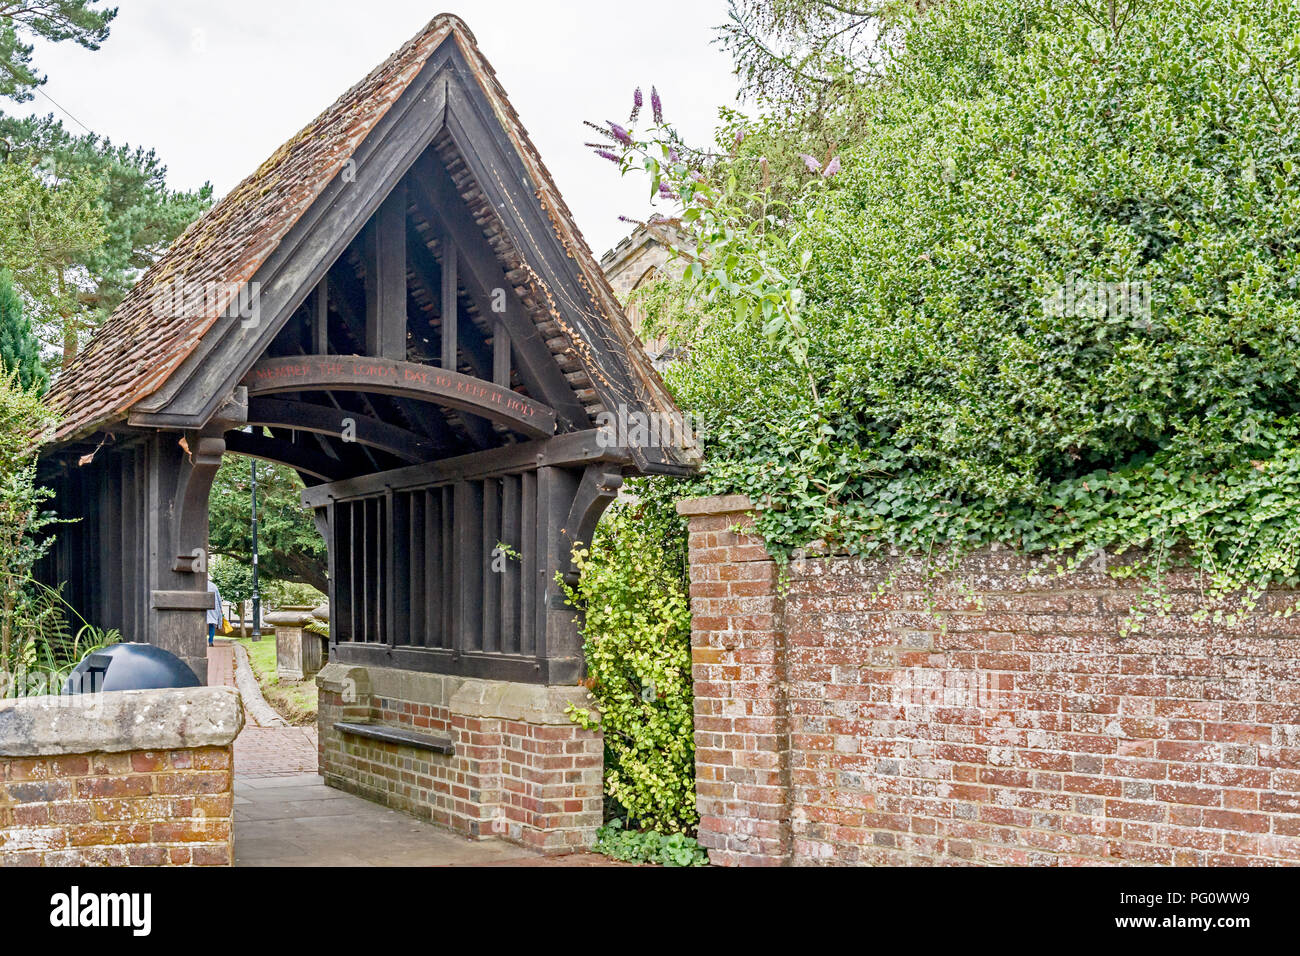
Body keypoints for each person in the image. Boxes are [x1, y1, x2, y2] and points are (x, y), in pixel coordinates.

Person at [207, 578, 223, 647]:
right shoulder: (214, 586)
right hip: (213, 607)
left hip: (203, 606)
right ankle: (210, 641)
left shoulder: (200, 585)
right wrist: (220, 608)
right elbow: (219, 599)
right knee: (212, 625)